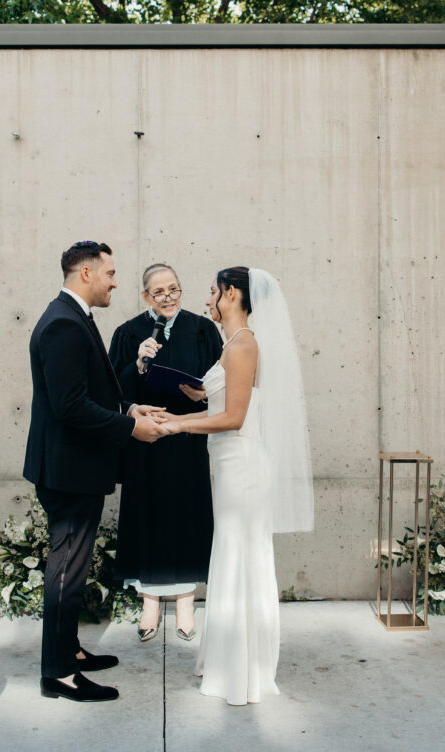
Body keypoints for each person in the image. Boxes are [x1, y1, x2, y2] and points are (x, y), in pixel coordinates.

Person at [157, 267, 314, 705]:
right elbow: (222, 402)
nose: (207, 299)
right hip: (228, 465)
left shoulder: (244, 345)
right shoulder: (233, 345)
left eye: (212, 291)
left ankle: (243, 672)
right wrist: (183, 411)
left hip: (242, 466)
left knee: (241, 557)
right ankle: (232, 660)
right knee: (231, 554)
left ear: (230, 294)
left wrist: (176, 428)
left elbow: (234, 418)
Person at [23, 241, 168, 704]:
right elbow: (69, 406)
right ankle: (59, 674)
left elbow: (89, 390)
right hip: (69, 471)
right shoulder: (63, 324)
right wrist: (130, 428)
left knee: (73, 566)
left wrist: (128, 405)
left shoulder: (73, 318)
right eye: (109, 272)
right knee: (66, 568)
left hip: (76, 467)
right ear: (86, 273)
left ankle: (69, 652)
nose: (115, 281)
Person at [109, 263, 222, 641]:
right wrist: (138, 364)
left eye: (174, 289)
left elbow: (223, 383)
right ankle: (151, 603)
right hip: (147, 439)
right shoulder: (128, 333)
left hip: (189, 437)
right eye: (159, 292)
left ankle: (187, 601)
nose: (169, 297)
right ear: (145, 297)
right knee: (148, 518)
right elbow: (111, 392)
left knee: (188, 516)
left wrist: (203, 393)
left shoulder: (203, 329)